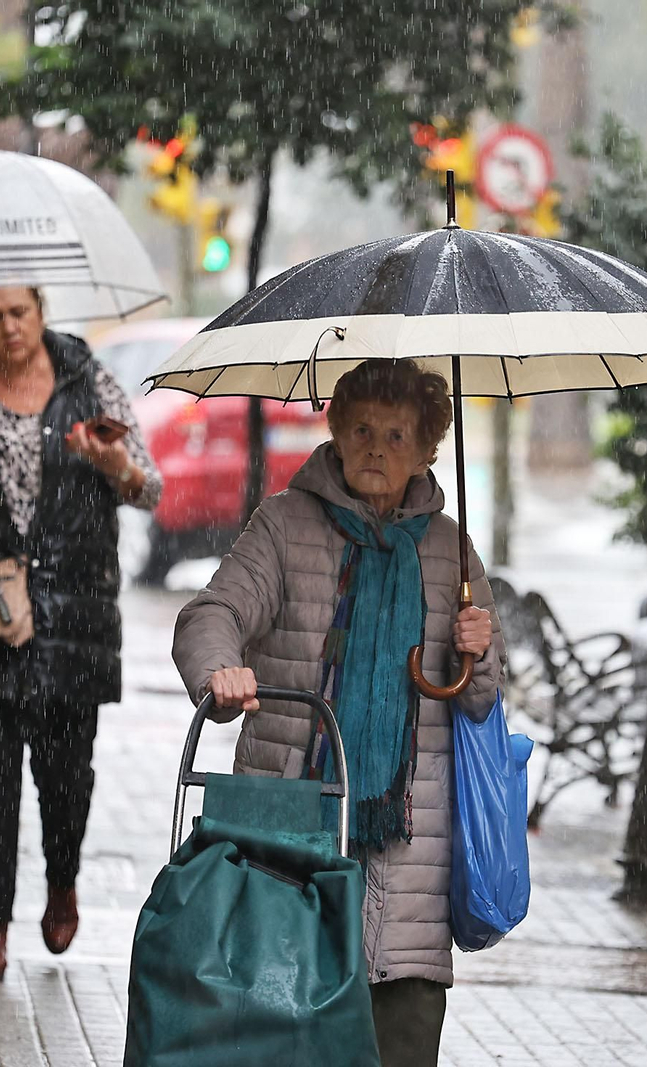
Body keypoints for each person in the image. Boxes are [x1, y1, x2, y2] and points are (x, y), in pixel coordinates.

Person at [172, 359, 504, 1067]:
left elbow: (478, 698)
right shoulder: (285, 523)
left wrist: (482, 648)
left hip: (411, 842)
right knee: (281, 1023)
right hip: (297, 821)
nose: (376, 447)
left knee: (402, 1031)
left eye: (395, 434)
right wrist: (219, 670)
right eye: (361, 430)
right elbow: (213, 612)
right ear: (335, 433)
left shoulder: (451, 548)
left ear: (425, 450)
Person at [0, 286, 161, 982]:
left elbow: (150, 488)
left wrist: (113, 464)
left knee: (65, 778)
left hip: (73, 617)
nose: (9, 327)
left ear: (42, 312)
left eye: (20, 312)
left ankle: (62, 879)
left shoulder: (91, 381)